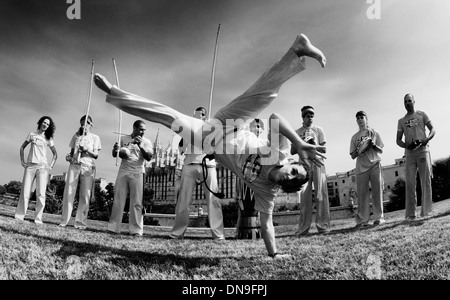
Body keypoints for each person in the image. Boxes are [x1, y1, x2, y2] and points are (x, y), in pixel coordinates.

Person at [94, 33, 327, 259]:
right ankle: (297, 49)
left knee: (168, 117)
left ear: (288, 189)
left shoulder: (267, 191)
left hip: (210, 138)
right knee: (266, 94)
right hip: (232, 122)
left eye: (294, 181)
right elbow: (275, 118)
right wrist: (298, 142)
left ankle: (114, 94)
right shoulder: (280, 153)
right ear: (293, 164)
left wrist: (274, 254)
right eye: (295, 171)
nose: (290, 176)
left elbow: (266, 224)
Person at [170, 107, 225, 240]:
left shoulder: (211, 127)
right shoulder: (187, 128)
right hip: (190, 163)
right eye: (195, 114)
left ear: (205, 116)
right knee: (183, 200)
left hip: (208, 165)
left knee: (213, 200)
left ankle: (218, 234)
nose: (198, 116)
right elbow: (182, 149)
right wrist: (185, 134)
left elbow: (217, 146)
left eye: (201, 115)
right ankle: (178, 232)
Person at [108, 120, 153, 236]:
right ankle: (114, 227)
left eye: (144, 130)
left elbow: (149, 157)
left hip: (138, 172)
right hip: (123, 170)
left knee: (137, 201)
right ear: (134, 128)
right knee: (118, 199)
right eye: (141, 129)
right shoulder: (123, 138)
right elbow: (115, 155)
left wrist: (140, 145)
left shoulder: (147, 142)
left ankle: (136, 230)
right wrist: (115, 149)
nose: (143, 132)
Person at [290, 106, 330, 235]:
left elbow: (324, 149)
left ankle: (323, 226)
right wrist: (302, 142)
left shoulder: (319, 130)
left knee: (321, 194)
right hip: (304, 165)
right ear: (303, 117)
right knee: (305, 197)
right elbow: (292, 151)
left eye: (312, 115)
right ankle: (303, 228)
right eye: (308, 116)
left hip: (318, 163)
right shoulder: (297, 132)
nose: (310, 118)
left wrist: (313, 144)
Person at [396, 94, 435, 220]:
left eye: (409, 100)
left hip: (423, 151)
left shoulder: (422, 114)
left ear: (414, 101)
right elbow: (398, 140)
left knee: (425, 181)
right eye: (405, 101)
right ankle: (411, 214)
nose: (408, 103)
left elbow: (433, 129)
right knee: (410, 183)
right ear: (404, 104)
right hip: (410, 154)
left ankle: (427, 212)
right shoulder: (401, 121)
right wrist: (406, 145)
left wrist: (426, 139)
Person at [59, 115, 102, 229]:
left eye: (87, 123)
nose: (85, 125)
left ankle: (80, 222)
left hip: (87, 166)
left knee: (84, 195)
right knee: (69, 193)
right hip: (74, 166)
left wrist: (87, 150)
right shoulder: (76, 136)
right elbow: (72, 152)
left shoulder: (95, 138)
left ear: (91, 124)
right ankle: (64, 221)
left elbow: (96, 155)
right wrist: (69, 157)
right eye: (82, 123)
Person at [15, 116, 58, 224]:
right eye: (44, 123)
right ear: (40, 123)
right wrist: (22, 161)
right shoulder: (32, 134)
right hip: (30, 166)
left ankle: (38, 218)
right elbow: (22, 148)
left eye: (48, 124)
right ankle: (19, 216)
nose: (45, 125)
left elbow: (55, 154)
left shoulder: (49, 138)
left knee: (41, 194)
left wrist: (50, 166)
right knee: (25, 192)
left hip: (42, 168)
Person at [349, 111, 385, 227]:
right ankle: (363, 221)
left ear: (366, 119)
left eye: (362, 117)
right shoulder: (354, 137)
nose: (360, 120)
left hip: (375, 165)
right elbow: (353, 155)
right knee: (363, 195)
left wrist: (372, 145)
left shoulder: (374, 132)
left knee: (377, 192)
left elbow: (381, 150)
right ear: (356, 121)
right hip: (361, 168)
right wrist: (360, 149)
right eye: (358, 118)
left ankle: (379, 218)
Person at [235, 119, 267, 239]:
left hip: (259, 178)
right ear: (250, 128)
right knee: (244, 203)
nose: (257, 128)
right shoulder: (245, 141)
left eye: (259, 126)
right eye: (255, 126)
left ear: (262, 130)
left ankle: (259, 231)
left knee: (258, 205)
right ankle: (242, 231)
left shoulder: (264, 142)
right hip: (245, 176)